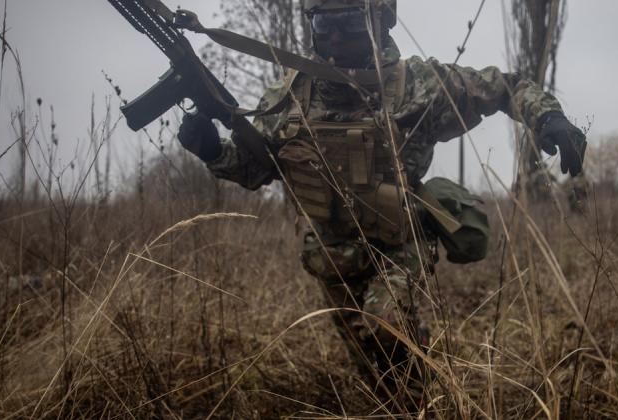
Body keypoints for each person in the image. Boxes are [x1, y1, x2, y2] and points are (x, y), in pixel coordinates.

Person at [176, 0, 587, 408]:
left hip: (400, 240)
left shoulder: (417, 84)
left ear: (380, 21)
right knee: (378, 372)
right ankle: (411, 385)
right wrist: (213, 151)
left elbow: (504, 86)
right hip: (333, 254)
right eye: (324, 22)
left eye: (349, 22)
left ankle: (427, 397)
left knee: (384, 323)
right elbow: (257, 170)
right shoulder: (292, 93)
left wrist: (548, 118)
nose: (334, 35)